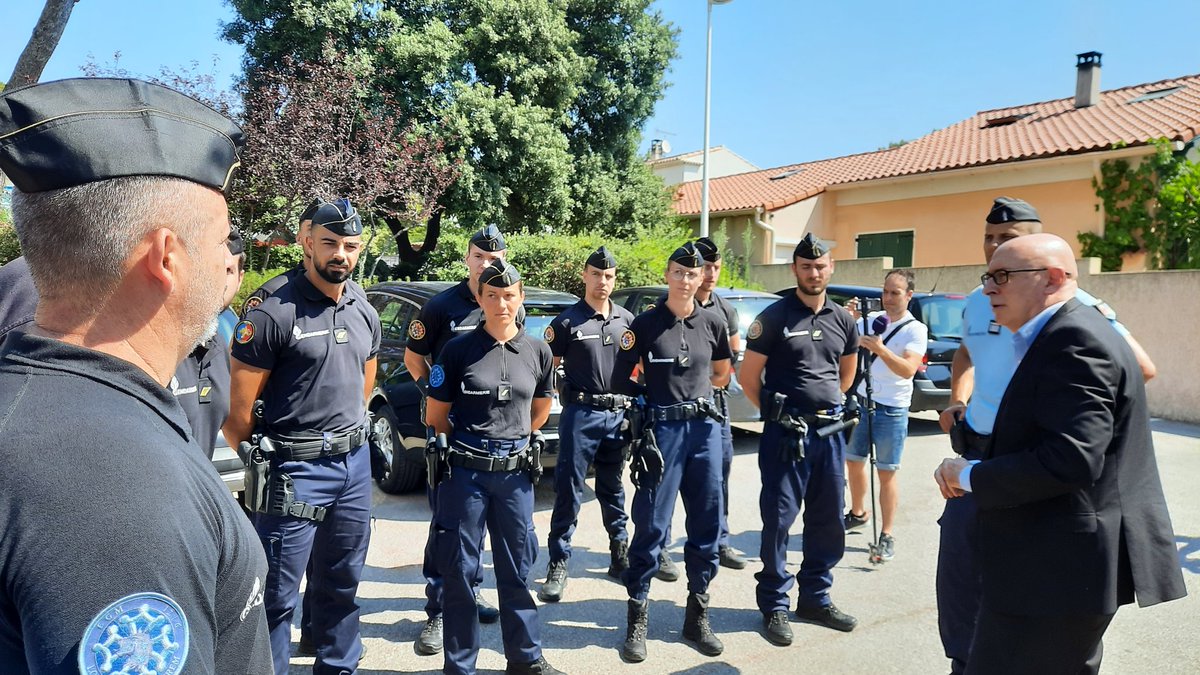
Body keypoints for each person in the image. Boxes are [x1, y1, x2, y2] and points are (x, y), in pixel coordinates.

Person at [0, 77, 271, 674]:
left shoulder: (46, 404)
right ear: (165, 256)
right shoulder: (113, 487)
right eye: (222, 240)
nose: (230, 263)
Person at [933, 233, 1185, 674]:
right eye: (987, 277)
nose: (988, 289)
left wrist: (967, 475)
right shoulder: (1060, 333)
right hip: (1054, 564)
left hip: (1059, 570)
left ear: (1052, 278)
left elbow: (1071, 459)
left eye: (1002, 276)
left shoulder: (1074, 339)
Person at [225, 198, 382, 674]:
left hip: (353, 466)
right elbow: (237, 416)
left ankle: (339, 667)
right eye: (330, 243)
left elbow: (364, 385)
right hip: (294, 471)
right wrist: (270, 463)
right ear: (307, 240)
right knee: (275, 597)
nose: (341, 254)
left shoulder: (363, 307)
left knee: (341, 585)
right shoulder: (273, 311)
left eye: (351, 246)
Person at [425, 259, 563, 675]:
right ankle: (460, 665)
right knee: (461, 572)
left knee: (517, 570)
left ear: (520, 298)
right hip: (466, 475)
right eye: (492, 296)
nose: (501, 304)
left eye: (508, 296)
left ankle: (525, 658)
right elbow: (436, 417)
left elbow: (539, 411)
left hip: (515, 476)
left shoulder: (538, 351)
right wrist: (477, 447)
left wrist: (511, 441)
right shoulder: (457, 350)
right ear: (480, 299)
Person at [737, 232, 860, 647]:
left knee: (828, 519)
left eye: (820, 266)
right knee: (779, 521)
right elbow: (748, 378)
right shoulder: (774, 317)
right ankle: (774, 604)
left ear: (831, 268)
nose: (814, 272)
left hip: (829, 435)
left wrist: (828, 405)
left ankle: (815, 598)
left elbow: (846, 375)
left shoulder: (843, 319)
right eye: (806, 266)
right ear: (795, 270)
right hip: (787, 437)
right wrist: (777, 416)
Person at [613, 243, 732, 662]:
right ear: (667, 275)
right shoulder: (645, 324)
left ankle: (697, 615)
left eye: (692, 273)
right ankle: (637, 617)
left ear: (702, 278)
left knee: (707, 522)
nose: (685, 279)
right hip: (661, 432)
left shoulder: (714, 322)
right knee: (651, 524)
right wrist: (648, 405)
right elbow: (621, 377)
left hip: (704, 431)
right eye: (678, 272)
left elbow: (721, 373)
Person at [405, 225, 509, 655]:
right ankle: (438, 609)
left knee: (475, 523)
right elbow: (414, 358)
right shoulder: (440, 306)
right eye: (478, 257)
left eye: (494, 258)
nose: (486, 264)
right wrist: (435, 397)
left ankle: (470, 591)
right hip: (448, 431)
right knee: (447, 523)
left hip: (487, 432)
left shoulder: (508, 303)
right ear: (467, 259)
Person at [539, 245, 634, 602]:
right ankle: (558, 561)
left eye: (608, 276)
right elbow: (546, 371)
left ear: (614, 279)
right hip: (581, 415)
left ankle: (619, 553)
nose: (602, 281)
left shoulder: (627, 319)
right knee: (569, 489)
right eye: (596, 274)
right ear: (585, 276)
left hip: (617, 416)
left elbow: (638, 368)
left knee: (613, 488)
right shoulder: (566, 322)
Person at [842, 269, 928, 561]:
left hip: (892, 408)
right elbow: (843, 343)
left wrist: (880, 349)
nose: (888, 298)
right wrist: (847, 319)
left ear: (909, 295)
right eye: (885, 292)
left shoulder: (915, 329)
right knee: (853, 461)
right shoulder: (870, 321)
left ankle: (887, 534)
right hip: (863, 400)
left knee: (886, 471)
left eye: (895, 293)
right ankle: (858, 512)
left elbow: (908, 370)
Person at [691, 236, 748, 570]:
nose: (711, 274)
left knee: (718, 476)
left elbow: (732, 356)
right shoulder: (676, 304)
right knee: (670, 479)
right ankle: (662, 547)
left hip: (715, 404)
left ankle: (719, 541)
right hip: (679, 405)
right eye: (706, 267)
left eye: (715, 267)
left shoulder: (725, 310)